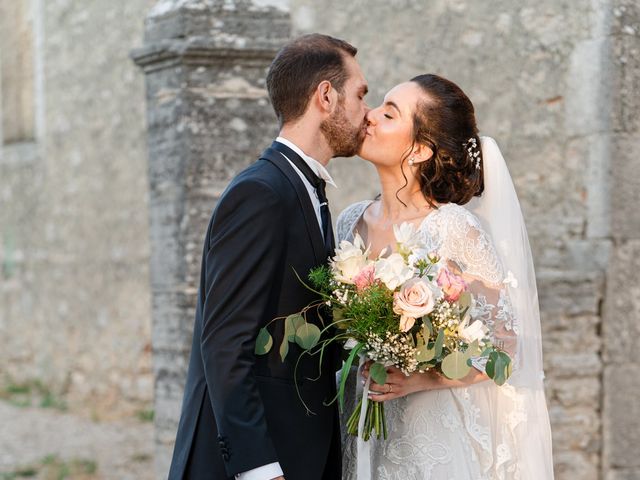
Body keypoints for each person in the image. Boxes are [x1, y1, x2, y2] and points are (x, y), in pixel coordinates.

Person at [168, 33, 369, 480]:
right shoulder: (260, 193)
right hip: (255, 464)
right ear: (325, 96)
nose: (366, 112)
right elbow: (224, 344)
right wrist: (260, 469)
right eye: (360, 94)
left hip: (301, 452)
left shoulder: (306, 190)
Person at [336, 74, 554, 479]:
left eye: (389, 114)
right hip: (361, 421)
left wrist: (425, 377)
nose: (369, 117)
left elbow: (508, 347)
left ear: (418, 150)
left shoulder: (452, 227)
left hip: (429, 433)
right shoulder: (349, 222)